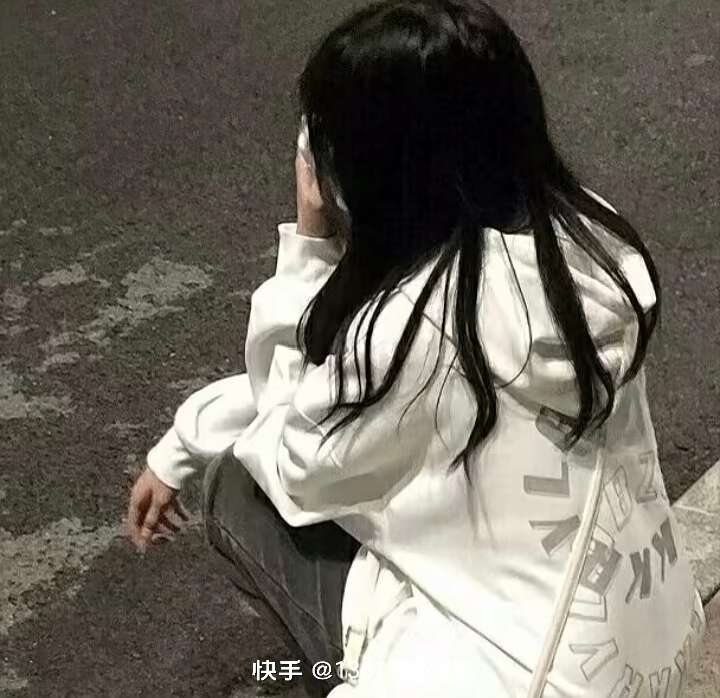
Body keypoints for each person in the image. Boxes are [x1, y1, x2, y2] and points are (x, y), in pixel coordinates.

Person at [125, 1, 707, 695]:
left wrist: (310, 242)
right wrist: (186, 433)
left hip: (518, 681)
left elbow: (293, 455)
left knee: (238, 489)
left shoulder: (418, 323)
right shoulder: (582, 235)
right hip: (651, 645)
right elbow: (351, 394)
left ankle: (342, 668)